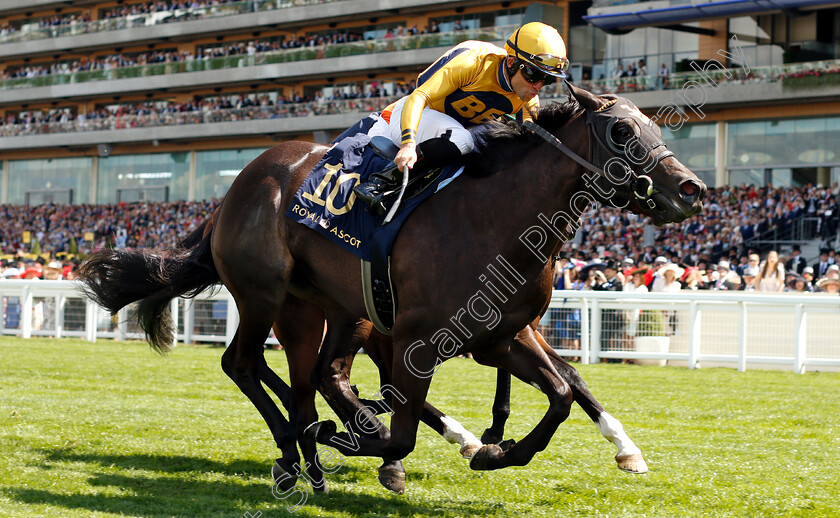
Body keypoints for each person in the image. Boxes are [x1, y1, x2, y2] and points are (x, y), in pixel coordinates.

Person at [354, 22, 569, 212]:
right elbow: (417, 96)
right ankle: (383, 182)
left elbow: (530, 152)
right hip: (411, 117)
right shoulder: (474, 61)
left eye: (547, 80)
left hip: (447, 136)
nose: (538, 86)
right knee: (464, 140)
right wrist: (408, 144)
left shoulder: (528, 101)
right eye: (533, 74)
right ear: (512, 62)